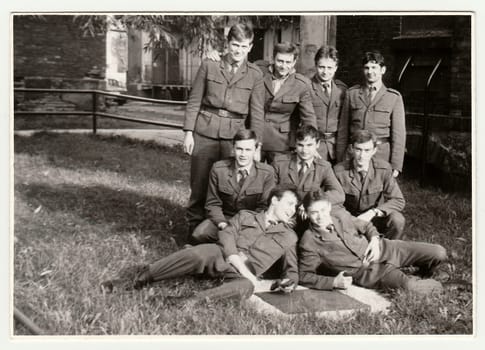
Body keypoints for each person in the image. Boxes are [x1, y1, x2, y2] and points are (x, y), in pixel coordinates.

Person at [101, 188, 300, 303]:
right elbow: (227, 235)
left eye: (295, 207)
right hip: (221, 256)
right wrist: (236, 260)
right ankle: (137, 280)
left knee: (246, 287)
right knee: (202, 252)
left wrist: (288, 283)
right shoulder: (246, 216)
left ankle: (186, 302)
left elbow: (292, 271)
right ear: (275, 200)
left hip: (241, 275)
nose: (292, 211)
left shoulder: (289, 237)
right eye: (290, 204)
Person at [183, 23, 265, 233]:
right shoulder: (210, 64)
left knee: (228, 183)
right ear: (228, 44)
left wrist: (256, 146)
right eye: (235, 45)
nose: (239, 50)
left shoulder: (255, 74)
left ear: (251, 47)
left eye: (244, 46)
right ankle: (194, 230)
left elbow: (256, 113)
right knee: (200, 182)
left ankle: (226, 231)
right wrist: (188, 133)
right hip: (205, 132)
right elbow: (194, 100)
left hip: (233, 137)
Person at [298, 192, 447, 295]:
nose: (320, 216)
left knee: (439, 252)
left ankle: (421, 274)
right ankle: (443, 285)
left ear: (329, 207)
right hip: (368, 272)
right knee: (411, 288)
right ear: (306, 212)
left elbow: (366, 226)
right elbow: (304, 275)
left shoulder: (340, 215)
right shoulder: (309, 241)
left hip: (385, 248)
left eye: (323, 210)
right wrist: (333, 282)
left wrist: (375, 240)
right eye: (314, 212)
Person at [190, 129, 276, 244]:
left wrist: (244, 226)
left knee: (253, 242)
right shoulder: (219, 169)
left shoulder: (266, 173)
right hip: (225, 219)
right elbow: (212, 204)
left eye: (248, 150)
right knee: (200, 234)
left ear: (255, 151)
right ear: (233, 149)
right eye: (239, 149)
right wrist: (222, 224)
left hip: (250, 223)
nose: (243, 154)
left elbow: (264, 207)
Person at [336, 51, 406, 177]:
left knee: (378, 191)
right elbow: (343, 130)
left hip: (381, 155)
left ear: (382, 70)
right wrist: (341, 159)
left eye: (374, 67)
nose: (370, 71)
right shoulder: (352, 94)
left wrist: (396, 165)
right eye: (367, 68)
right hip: (355, 154)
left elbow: (399, 134)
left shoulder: (393, 97)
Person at [334, 129, 405, 240]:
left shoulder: (383, 169)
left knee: (397, 219)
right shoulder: (339, 171)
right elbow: (334, 203)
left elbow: (398, 200)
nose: (362, 155)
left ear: (374, 150)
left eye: (367, 150)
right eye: (358, 149)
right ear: (351, 149)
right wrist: (351, 220)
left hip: (374, 218)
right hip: (349, 219)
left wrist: (373, 212)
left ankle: (386, 250)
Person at [259, 42, 317, 163]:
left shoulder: (301, 84)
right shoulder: (259, 74)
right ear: (273, 59)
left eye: (288, 62)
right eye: (280, 61)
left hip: (281, 142)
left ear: (294, 62)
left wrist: (312, 143)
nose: (283, 66)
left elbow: (308, 117)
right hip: (256, 137)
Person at [272, 125, 344, 206]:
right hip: (284, 210)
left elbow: (339, 194)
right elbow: (270, 191)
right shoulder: (280, 163)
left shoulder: (324, 167)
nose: (304, 150)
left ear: (317, 144)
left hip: (310, 213)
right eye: (300, 145)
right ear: (295, 144)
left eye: (309, 145)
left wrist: (312, 202)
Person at [308, 45, 347, 163]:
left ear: (336, 68)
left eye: (330, 68)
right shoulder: (306, 87)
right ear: (315, 65)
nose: (325, 72)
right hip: (314, 146)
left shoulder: (342, 89)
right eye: (321, 67)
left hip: (336, 147)